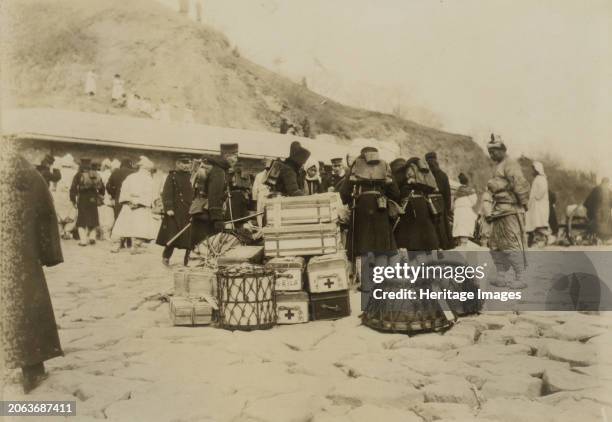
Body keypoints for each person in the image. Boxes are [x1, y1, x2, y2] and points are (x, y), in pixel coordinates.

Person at [1, 152, 64, 393]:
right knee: (26, 304)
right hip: (21, 256)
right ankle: (32, 368)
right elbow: (46, 213)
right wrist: (48, 254)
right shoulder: (28, 173)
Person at [340, 147, 400, 293]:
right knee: (381, 245)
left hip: (362, 208)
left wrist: (350, 199)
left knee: (365, 245)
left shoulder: (356, 165)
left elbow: (344, 192)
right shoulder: (384, 166)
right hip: (381, 206)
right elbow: (395, 193)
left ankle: (367, 284)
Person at [486, 135, 530, 289]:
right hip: (498, 210)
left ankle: (520, 277)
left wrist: (523, 203)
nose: (491, 155)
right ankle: (501, 276)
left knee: (511, 244)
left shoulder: (511, 164)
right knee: (495, 245)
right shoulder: (499, 165)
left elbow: (520, 184)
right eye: (489, 152)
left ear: (503, 150)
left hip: (510, 210)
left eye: (494, 152)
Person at [111, 156, 158, 254]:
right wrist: (140, 202)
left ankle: (116, 245)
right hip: (141, 206)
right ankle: (134, 246)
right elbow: (151, 194)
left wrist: (128, 201)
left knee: (122, 225)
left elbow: (123, 190)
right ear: (147, 169)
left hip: (128, 205)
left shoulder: (131, 177)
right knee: (139, 228)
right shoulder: (149, 180)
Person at [392, 157, 439, 254]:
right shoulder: (424, 175)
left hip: (410, 203)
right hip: (422, 203)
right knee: (422, 231)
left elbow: (397, 188)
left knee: (410, 232)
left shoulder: (406, 170)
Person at [156, 155, 194, 266]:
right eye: (183, 163)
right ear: (177, 163)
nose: (186, 165)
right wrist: (169, 208)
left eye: (188, 163)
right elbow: (167, 193)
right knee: (172, 235)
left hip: (189, 210)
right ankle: (166, 257)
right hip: (175, 211)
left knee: (190, 236)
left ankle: (187, 260)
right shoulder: (172, 176)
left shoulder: (192, 177)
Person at [190, 154, 229, 248]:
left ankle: (192, 255)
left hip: (198, 208)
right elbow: (215, 195)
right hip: (208, 211)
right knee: (207, 238)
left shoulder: (209, 172)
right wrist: (217, 218)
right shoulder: (218, 172)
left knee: (197, 236)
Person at [69, 158, 105, 246]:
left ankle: (83, 240)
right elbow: (102, 188)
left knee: (82, 219)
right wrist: (99, 195)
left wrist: (73, 200)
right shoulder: (96, 174)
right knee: (93, 218)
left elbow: (73, 188)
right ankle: (92, 237)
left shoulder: (79, 174)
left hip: (83, 198)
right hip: (93, 198)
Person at [425, 151, 453, 250]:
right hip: (441, 202)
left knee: (431, 225)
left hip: (428, 201)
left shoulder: (424, 174)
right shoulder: (443, 175)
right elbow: (447, 193)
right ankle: (442, 246)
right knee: (441, 226)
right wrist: (448, 208)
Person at [106, 158, 135, 249]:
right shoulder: (133, 172)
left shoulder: (116, 172)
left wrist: (113, 194)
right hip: (131, 199)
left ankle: (120, 242)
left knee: (118, 219)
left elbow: (108, 186)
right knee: (130, 220)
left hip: (119, 199)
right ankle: (129, 242)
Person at [221, 143, 250, 226]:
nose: (236, 160)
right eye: (234, 157)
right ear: (226, 156)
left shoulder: (238, 172)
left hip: (239, 207)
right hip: (228, 207)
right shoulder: (220, 172)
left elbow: (246, 189)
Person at [525, 161, 550, 247]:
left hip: (540, 205)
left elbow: (541, 192)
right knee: (533, 222)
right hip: (535, 205)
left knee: (539, 222)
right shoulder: (537, 179)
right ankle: (533, 241)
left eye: (534, 169)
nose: (532, 171)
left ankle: (544, 238)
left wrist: (536, 197)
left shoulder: (542, 179)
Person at [452, 173, 478, 246]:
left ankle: (460, 244)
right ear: (467, 181)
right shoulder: (470, 190)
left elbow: (453, 202)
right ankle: (463, 245)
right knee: (465, 228)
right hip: (466, 210)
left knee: (459, 228)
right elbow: (474, 201)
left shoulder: (457, 190)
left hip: (458, 211)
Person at [583, 177, 612, 243]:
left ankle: (598, 238)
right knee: (608, 223)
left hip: (596, 212)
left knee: (596, 222)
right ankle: (604, 239)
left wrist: (587, 207)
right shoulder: (609, 191)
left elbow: (588, 201)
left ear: (602, 182)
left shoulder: (596, 189)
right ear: (607, 183)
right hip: (605, 213)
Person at [252, 158, 272, 226]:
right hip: (261, 194)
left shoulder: (271, 175)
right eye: (267, 168)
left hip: (269, 195)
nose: (268, 170)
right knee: (260, 212)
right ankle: (260, 226)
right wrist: (255, 199)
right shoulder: (259, 175)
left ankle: (267, 225)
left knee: (268, 211)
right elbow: (255, 188)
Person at [98, 159, 115, 240]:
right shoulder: (112, 174)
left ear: (104, 166)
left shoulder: (100, 174)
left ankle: (101, 234)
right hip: (109, 198)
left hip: (101, 197)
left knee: (101, 216)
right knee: (109, 216)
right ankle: (106, 234)